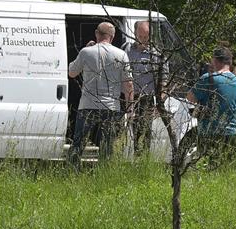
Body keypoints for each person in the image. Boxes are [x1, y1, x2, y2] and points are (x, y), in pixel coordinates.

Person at [67, 22, 133, 166]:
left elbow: (72, 73)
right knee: (107, 146)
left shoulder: (86, 52)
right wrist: (130, 109)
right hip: (111, 107)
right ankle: (103, 173)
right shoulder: (121, 55)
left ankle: (71, 171)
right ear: (113, 37)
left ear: (97, 33)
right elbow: (128, 84)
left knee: (79, 143)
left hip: (87, 105)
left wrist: (86, 49)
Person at [187, 47, 236, 159]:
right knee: (225, 170)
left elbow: (190, 98)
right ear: (230, 62)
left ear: (215, 60)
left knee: (206, 167)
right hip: (231, 133)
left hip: (209, 131)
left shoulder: (208, 78)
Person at [124, 21, 167, 155]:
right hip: (126, 97)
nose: (143, 39)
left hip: (146, 99)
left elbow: (164, 81)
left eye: (146, 36)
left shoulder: (157, 54)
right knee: (125, 132)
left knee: (144, 133)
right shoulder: (127, 50)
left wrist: (160, 102)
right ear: (135, 34)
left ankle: (142, 159)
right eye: (140, 36)